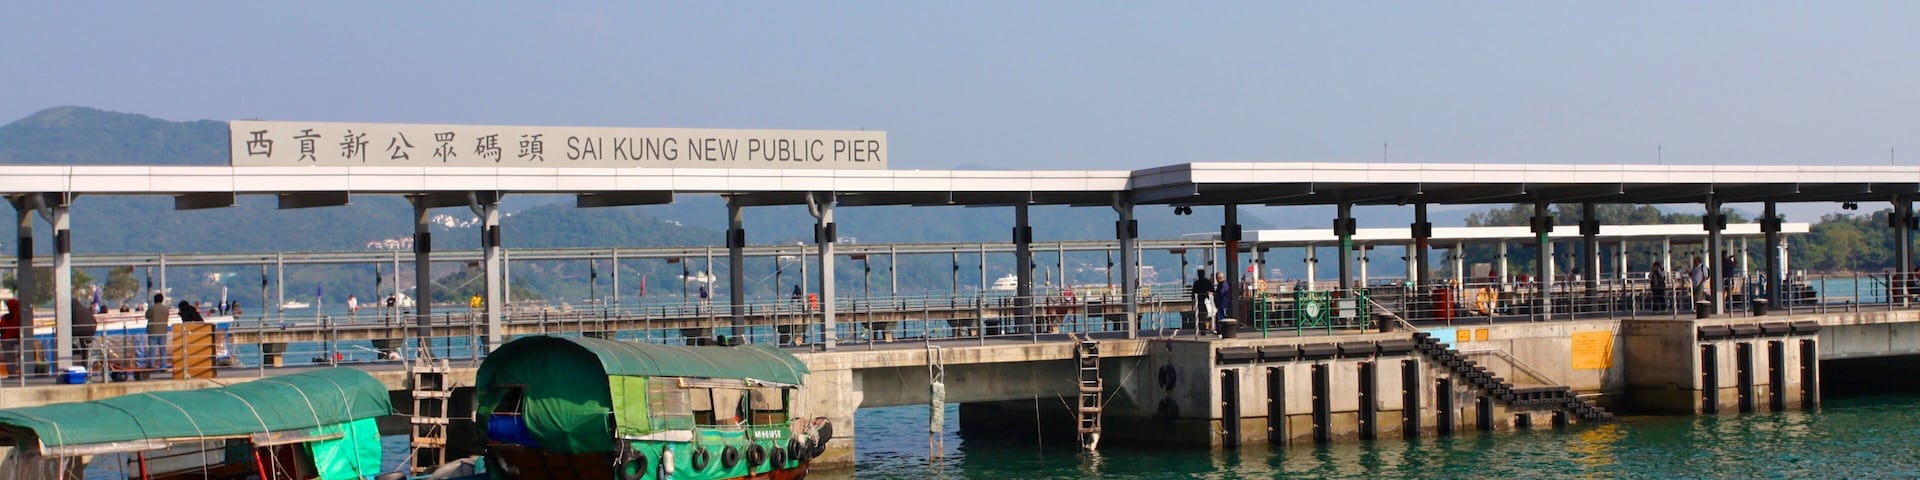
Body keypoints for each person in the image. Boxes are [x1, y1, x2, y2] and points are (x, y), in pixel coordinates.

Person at [145, 293, 171, 369]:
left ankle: (151, 365)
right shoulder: (166, 309)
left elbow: (146, 316)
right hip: (163, 331)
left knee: (152, 349)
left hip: (153, 330)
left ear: (155, 300)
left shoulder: (152, 308)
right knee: (163, 349)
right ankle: (163, 365)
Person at [1, 298, 19, 378]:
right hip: (18, 339)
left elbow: (1, 327)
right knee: (19, 356)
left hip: (7, 339)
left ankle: (12, 373)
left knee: (9, 357)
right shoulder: (20, 316)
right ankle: (18, 373)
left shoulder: (5, 317)